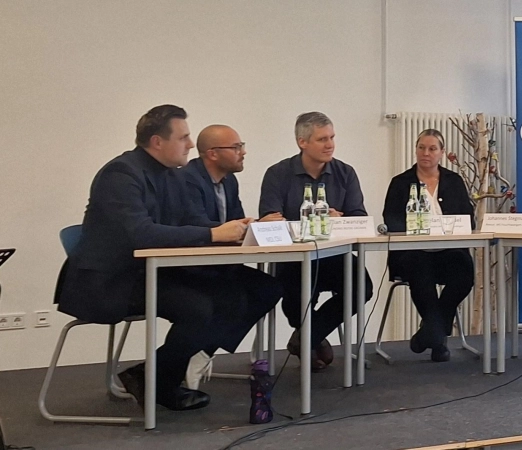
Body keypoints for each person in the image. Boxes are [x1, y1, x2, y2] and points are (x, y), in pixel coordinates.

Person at [55, 105, 282, 411]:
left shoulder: (171, 175)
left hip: (151, 271)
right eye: (183, 137)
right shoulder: (120, 174)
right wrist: (214, 234)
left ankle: (152, 375)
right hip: (110, 281)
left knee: (233, 294)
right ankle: (161, 383)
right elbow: (141, 233)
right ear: (157, 142)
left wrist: (238, 228)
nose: (191, 144)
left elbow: (190, 222)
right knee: (199, 307)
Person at [258, 111, 373, 371]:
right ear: (302, 142)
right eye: (322, 139)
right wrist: (310, 221)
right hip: (293, 257)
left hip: (334, 255)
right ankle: (313, 337)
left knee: (362, 287)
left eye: (332, 137)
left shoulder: (345, 173)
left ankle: (305, 338)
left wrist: (337, 220)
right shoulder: (278, 174)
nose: (330, 144)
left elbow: (359, 217)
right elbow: (270, 220)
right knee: (293, 297)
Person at [180, 124, 280, 390]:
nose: (243, 152)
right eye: (236, 147)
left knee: (269, 288)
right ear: (212, 153)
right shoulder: (187, 180)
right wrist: (243, 227)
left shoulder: (229, 181)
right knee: (234, 298)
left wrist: (254, 225)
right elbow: (197, 226)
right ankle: (181, 359)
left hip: (221, 262)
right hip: (190, 265)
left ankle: (203, 351)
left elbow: (236, 224)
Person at [382, 129, 475, 362]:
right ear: (416, 150)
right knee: (420, 274)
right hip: (414, 252)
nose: (426, 153)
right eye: (421, 148)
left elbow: (469, 220)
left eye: (432, 149)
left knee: (464, 273)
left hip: (449, 251)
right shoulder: (400, 183)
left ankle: (430, 333)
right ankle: (438, 338)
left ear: (442, 153)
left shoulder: (454, 181)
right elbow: (392, 220)